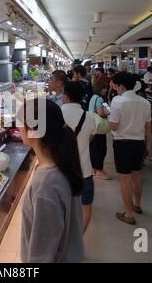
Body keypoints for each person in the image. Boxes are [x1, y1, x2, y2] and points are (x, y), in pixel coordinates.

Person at [19, 99, 84, 263]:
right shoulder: (63, 164)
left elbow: (41, 256)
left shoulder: (46, 187)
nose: (18, 128)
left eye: (20, 123)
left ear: (33, 129)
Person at [109, 72, 152, 225]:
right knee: (136, 176)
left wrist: (106, 121)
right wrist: (148, 145)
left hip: (122, 143)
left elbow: (113, 125)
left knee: (124, 180)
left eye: (115, 85)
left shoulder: (117, 101)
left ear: (121, 85)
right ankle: (137, 205)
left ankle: (128, 213)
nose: (115, 88)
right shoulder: (144, 102)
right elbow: (148, 126)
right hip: (139, 143)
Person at [62, 82, 96, 233]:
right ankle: (77, 240)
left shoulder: (56, 113)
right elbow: (89, 138)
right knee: (85, 207)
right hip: (84, 171)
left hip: (60, 172)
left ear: (65, 96)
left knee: (60, 210)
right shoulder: (89, 117)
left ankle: (62, 244)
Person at [89, 80, 111, 180]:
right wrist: (107, 113)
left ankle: (93, 169)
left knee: (93, 148)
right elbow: (101, 113)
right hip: (99, 128)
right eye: (104, 88)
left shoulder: (93, 97)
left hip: (92, 126)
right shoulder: (100, 99)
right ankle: (99, 170)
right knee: (101, 149)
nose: (106, 90)